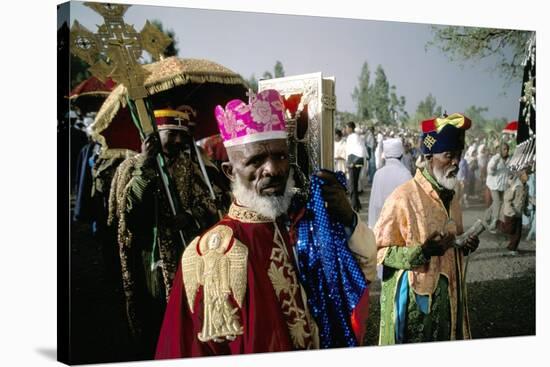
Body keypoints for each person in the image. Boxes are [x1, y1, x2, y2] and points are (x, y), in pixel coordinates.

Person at [155, 89, 377, 358]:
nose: (273, 170)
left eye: (280, 156)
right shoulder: (215, 253)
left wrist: (347, 218)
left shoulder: (287, 224)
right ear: (229, 171)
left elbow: (351, 280)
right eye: (256, 160)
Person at [108, 107, 222, 358]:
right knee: (155, 312)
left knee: (185, 310)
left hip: (184, 250)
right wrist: (146, 168)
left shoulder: (188, 166)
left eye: (183, 135)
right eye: (172, 134)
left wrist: (189, 216)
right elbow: (127, 212)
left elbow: (209, 203)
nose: (179, 141)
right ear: (153, 136)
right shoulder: (130, 167)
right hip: (149, 254)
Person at [374, 113, 480, 344]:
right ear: (430, 156)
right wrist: (422, 252)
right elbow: (379, 250)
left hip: (449, 304)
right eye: (449, 155)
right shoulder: (403, 198)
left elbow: (454, 240)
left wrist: (464, 244)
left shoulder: (452, 197)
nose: (455, 162)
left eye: (458, 155)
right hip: (416, 309)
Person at [367, 138, 412, 228]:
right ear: (401, 155)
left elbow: (373, 205)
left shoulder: (378, 174)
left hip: (381, 226)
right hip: (400, 227)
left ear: (386, 155)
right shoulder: (406, 174)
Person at [498, 169, 529, 255]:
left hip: (519, 213)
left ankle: (513, 248)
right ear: (521, 176)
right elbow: (507, 198)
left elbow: (525, 200)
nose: (528, 176)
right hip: (510, 212)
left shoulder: (526, 187)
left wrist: (526, 210)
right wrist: (511, 210)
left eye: (527, 174)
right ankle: (498, 224)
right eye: (525, 175)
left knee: (518, 233)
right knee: (509, 229)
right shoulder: (515, 186)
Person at [484, 143, 510, 232]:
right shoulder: (495, 158)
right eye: (504, 149)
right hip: (493, 185)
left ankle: (486, 217)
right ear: (500, 150)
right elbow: (490, 171)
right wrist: (496, 163)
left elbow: (510, 172)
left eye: (507, 149)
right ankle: (493, 223)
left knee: (498, 203)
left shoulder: (509, 159)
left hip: (503, 185)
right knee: (497, 202)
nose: (506, 151)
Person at [345, 121, 367, 211]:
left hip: (354, 163)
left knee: (352, 185)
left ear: (350, 128)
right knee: (354, 184)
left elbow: (354, 151)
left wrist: (350, 162)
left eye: (346, 128)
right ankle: (357, 203)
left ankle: (354, 206)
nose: (345, 130)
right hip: (356, 162)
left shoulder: (353, 137)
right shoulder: (355, 137)